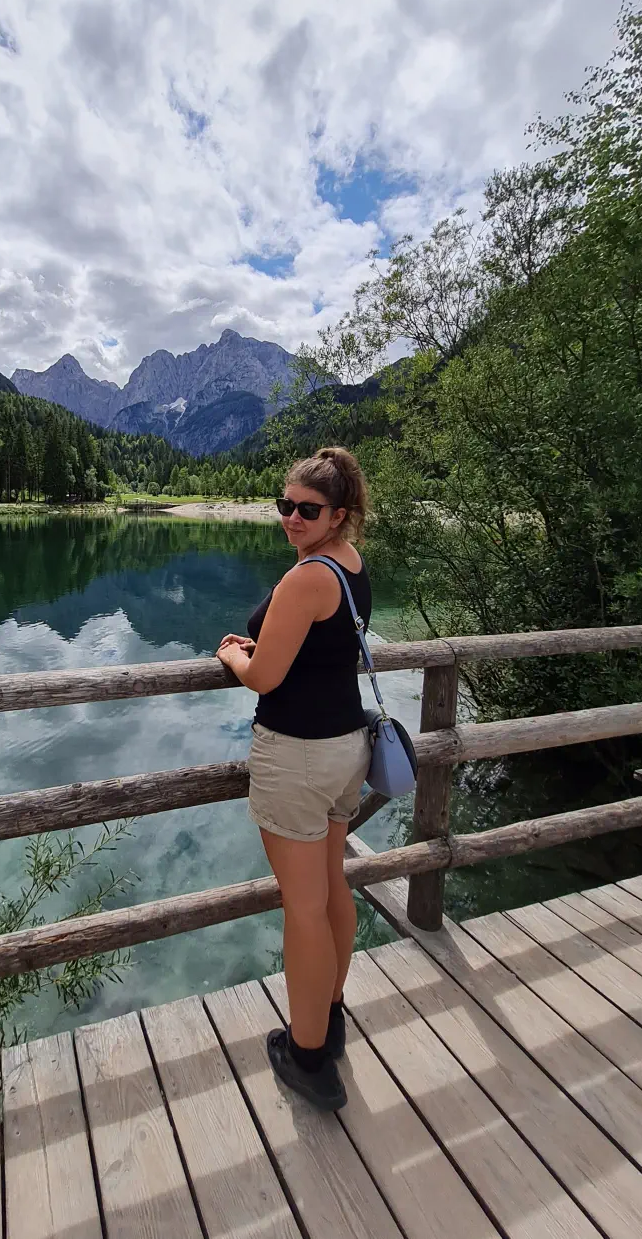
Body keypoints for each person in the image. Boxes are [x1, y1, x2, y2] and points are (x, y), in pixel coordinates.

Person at [216, 446, 371, 1112]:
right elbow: (314, 649)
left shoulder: (310, 577)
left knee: (302, 906)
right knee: (332, 884)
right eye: (284, 505)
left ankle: (307, 1055)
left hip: (299, 753)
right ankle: (329, 1012)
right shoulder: (351, 566)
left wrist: (232, 654)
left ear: (338, 513)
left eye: (306, 509)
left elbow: (267, 674)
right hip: (344, 748)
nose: (291, 518)